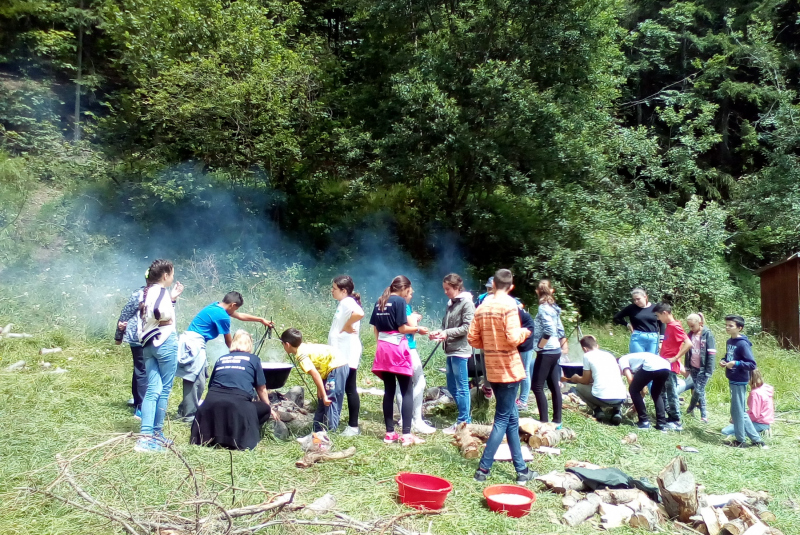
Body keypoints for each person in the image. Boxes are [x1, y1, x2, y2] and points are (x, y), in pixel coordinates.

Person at [469, 269, 536, 485]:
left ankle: (521, 470)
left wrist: (490, 345)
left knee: (511, 418)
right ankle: (483, 469)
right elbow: (513, 338)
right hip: (508, 368)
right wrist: (526, 332)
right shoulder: (509, 305)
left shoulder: (482, 306)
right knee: (501, 420)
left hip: (491, 368)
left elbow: (472, 339)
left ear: (494, 284)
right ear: (511, 286)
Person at [176, 291, 272, 423]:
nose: (236, 311)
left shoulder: (216, 306)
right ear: (232, 305)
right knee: (195, 380)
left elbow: (240, 316)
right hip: (194, 344)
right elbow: (229, 342)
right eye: (236, 308)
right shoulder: (222, 316)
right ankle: (188, 416)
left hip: (194, 342)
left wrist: (261, 319)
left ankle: (185, 410)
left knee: (201, 379)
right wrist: (241, 358)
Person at [190, 330, 276, 450]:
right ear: (250, 344)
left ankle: (216, 435)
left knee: (225, 405)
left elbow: (211, 386)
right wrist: (270, 408)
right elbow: (261, 388)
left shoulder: (221, 359)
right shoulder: (253, 359)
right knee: (264, 409)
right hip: (238, 403)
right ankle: (239, 433)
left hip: (211, 403)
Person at [370, 275, 426, 446]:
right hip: (397, 349)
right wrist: (418, 329)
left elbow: (376, 329)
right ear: (403, 289)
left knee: (389, 391)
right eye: (409, 291)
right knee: (406, 389)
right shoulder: (400, 302)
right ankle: (407, 435)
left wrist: (382, 344)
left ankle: (389, 433)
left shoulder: (380, 301)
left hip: (382, 348)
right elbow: (402, 328)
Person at [135, 259, 181, 453]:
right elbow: (160, 312)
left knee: (153, 389)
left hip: (147, 344)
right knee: (164, 390)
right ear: (165, 275)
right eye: (172, 273)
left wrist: (172, 299)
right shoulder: (161, 292)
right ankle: (156, 433)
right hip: (165, 342)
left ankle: (145, 437)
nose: (172, 277)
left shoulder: (145, 291)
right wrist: (167, 316)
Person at [281, 328, 349, 435]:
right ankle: (316, 433)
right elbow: (318, 366)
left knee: (330, 401)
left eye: (282, 344)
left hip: (337, 366)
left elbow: (315, 374)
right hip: (329, 368)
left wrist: (325, 394)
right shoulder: (302, 347)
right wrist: (320, 390)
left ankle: (330, 435)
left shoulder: (301, 356)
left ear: (287, 344)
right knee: (322, 400)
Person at [430, 273, 475, 434]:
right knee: (451, 385)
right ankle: (464, 415)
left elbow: (467, 327)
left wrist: (447, 333)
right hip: (450, 350)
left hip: (461, 350)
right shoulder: (451, 304)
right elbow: (446, 325)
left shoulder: (467, 304)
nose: (445, 292)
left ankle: (464, 421)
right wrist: (439, 333)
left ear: (456, 287)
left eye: (447, 289)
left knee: (462, 387)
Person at [395, 282, 436, 435]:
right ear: (404, 292)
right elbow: (411, 324)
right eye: (410, 293)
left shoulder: (390, 303)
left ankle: (403, 418)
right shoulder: (404, 306)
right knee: (419, 381)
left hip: (396, 347)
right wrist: (416, 318)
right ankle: (416, 419)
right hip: (408, 348)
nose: (411, 296)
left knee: (401, 384)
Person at [328, 275, 365, 437]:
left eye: (334, 289)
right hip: (342, 352)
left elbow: (360, 313)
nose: (332, 291)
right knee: (345, 388)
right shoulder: (343, 303)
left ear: (344, 291)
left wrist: (347, 325)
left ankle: (353, 427)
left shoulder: (347, 302)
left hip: (347, 352)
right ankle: (337, 422)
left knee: (349, 389)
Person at [720, 315, 764, 447]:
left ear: (740, 328)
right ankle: (757, 440)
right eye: (726, 325)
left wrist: (736, 363)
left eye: (731, 326)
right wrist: (724, 361)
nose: (727, 327)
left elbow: (751, 364)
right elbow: (729, 357)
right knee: (738, 411)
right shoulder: (729, 342)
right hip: (732, 378)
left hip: (740, 380)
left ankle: (741, 441)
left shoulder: (743, 344)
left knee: (738, 412)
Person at [562, 335, 627, 424]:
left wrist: (576, 378)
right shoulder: (609, 355)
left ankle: (597, 411)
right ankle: (617, 411)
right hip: (621, 398)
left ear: (585, 349)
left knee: (580, 387)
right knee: (615, 385)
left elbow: (585, 380)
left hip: (603, 399)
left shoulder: (587, 356)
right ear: (597, 346)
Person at [531, 279, 567, 426]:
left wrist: (541, 345)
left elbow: (550, 330)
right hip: (555, 350)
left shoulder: (543, 307)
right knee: (553, 385)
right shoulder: (554, 307)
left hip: (546, 352)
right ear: (551, 291)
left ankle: (544, 421)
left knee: (537, 386)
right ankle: (557, 421)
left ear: (537, 292)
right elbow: (560, 330)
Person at [653, 302, 692, 431]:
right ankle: (668, 417)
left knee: (671, 393)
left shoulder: (675, 326)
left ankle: (676, 420)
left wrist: (675, 358)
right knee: (663, 391)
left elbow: (688, 343)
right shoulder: (668, 326)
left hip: (670, 365)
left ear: (665, 313)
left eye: (658, 316)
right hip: (664, 364)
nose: (658, 319)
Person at [115, 279, 148, 419]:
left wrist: (119, 335)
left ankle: (137, 403)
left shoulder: (139, 293)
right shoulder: (143, 294)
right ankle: (141, 407)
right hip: (142, 336)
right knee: (143, 370)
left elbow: (125, 313)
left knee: (139, 369)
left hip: (139, 336)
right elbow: (125, 315)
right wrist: (118, 335)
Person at [618, 352, 671, 430]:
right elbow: (642, 388)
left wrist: (636, 399)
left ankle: (644, 422)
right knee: (656, 393)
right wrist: (638, 402)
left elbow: (630, 379)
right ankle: (661, 424)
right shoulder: (634, 361)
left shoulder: (621, 360)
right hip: (666, 366)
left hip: (652, 365)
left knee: (633, 390)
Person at [722, 368, 773, 438]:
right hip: (766, 422)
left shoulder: (755, 393)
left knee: (725, 431)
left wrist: (738, 419)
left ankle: (758, 433)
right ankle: (759, 431)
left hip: (759, 423)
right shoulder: (765, 388)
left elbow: (755, 415)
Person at [685, 313, 716, 423]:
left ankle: (690, 408)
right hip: (693, 367)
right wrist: (687, 366)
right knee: (700, 391)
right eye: (689, 326)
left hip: (704, 369)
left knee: (698, 390)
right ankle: (704, 415)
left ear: (700, 323)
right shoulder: (690, 335)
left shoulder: (707, 334)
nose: (691, 328)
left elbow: (712, 353)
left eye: (692, 326)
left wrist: (709, 369)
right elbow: (687, 351)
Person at [613, 289, 663, 354]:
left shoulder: (655, 308)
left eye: (638, 299)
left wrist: (662, 341)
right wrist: (627, 324)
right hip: (638, 337)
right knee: (638, 359)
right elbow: (616, 318)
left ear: (645, 297)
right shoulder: (631, 308)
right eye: (634, 300)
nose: (636, 301)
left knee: (652, 361)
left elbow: (662, 324)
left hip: (653, 338)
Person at [515, 303, 536, 411]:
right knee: (518, 371)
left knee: (524, 371)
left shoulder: (515, 312)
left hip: (526, 344)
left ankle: (523, 402)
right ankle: (516, 399)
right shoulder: (514, 310)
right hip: (520, 341)